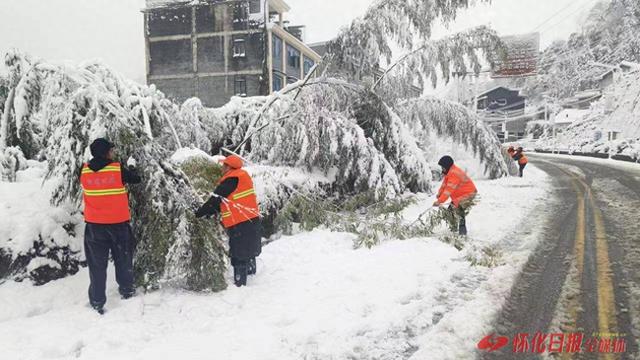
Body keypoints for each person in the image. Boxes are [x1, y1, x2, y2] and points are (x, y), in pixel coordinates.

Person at [80, 138, 141, 315]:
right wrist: (132, 167)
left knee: (96, 265)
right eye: (111, 150)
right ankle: (127, 292)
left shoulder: (83, 171)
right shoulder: (117, 168)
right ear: (106, 152)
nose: (113, 153)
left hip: (94, 227)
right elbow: (136, 179)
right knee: (123, 259)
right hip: (118, 225)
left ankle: (97, 301)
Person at [195, 155, 262, 287]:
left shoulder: (231, 179)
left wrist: (199, 213)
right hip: (251, 218)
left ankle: (240, 283)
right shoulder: (243, 176)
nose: (222, 168)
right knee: (249, 248)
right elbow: (231, 199)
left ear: (230, 167)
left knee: (239, 252)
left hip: (239, 222)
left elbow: (215, 200)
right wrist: (213, 211)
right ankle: (251, 273)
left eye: (224, 166)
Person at [433, 156, 478, 236]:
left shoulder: (454, 174)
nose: (442, 169)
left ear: (447, 166)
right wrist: (439, 194)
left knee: (459, 210)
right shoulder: (450, 172)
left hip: (469, 194)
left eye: (442, 167)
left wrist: (439, 201)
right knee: (450, 210)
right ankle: (453, 229)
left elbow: (448, 191)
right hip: (462, 195)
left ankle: (462, 233)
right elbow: (444, 185)